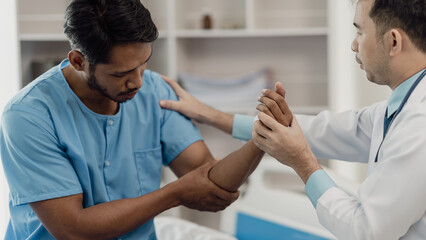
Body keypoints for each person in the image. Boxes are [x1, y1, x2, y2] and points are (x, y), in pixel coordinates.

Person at [0, 0, 292, 239]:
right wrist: (174, 194)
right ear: (78, 61)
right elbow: (73, 231)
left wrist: (261, 139)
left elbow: (209, 180)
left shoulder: (155, 91)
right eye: (121, 74)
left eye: (143, 64)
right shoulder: (28, 117)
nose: (137, 82)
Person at [159, 0, 426, 239]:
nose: (354, 44)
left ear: (393, 41)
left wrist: (302, 162)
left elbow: (366, 232)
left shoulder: (419, 123)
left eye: (360, 31)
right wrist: (208, 114)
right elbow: (324, 130)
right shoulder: (401, 106)